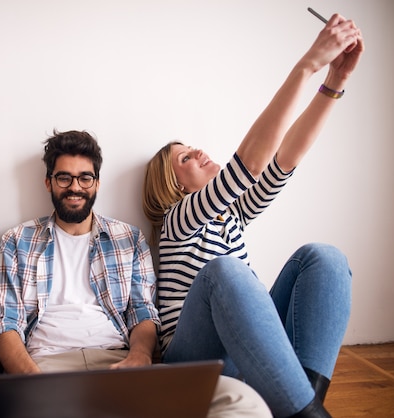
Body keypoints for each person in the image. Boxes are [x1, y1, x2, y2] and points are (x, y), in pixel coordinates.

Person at [142, 13, 363, 418]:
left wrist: (334, 82)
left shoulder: (233, 215)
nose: (201, 152)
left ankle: (306, 405)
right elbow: (252, 163)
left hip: (248, 350)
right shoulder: (177, 222)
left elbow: (285, 157)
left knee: (323, 257)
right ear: (172, 186)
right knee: (225, 271)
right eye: (186, 158)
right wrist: (308, 64)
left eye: (194, 146)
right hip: (193, 362)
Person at [0, 130, 271, 417]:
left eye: (85, 177)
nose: (75, 187)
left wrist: (139, 356)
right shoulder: (18, 240)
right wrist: (32, 382)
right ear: (49, 182)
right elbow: (4, 324)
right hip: (46, 366)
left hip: (117, 363)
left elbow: (143, 311)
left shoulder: (128, 238)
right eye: (64, 178)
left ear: (96, 183)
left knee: (241, 400)